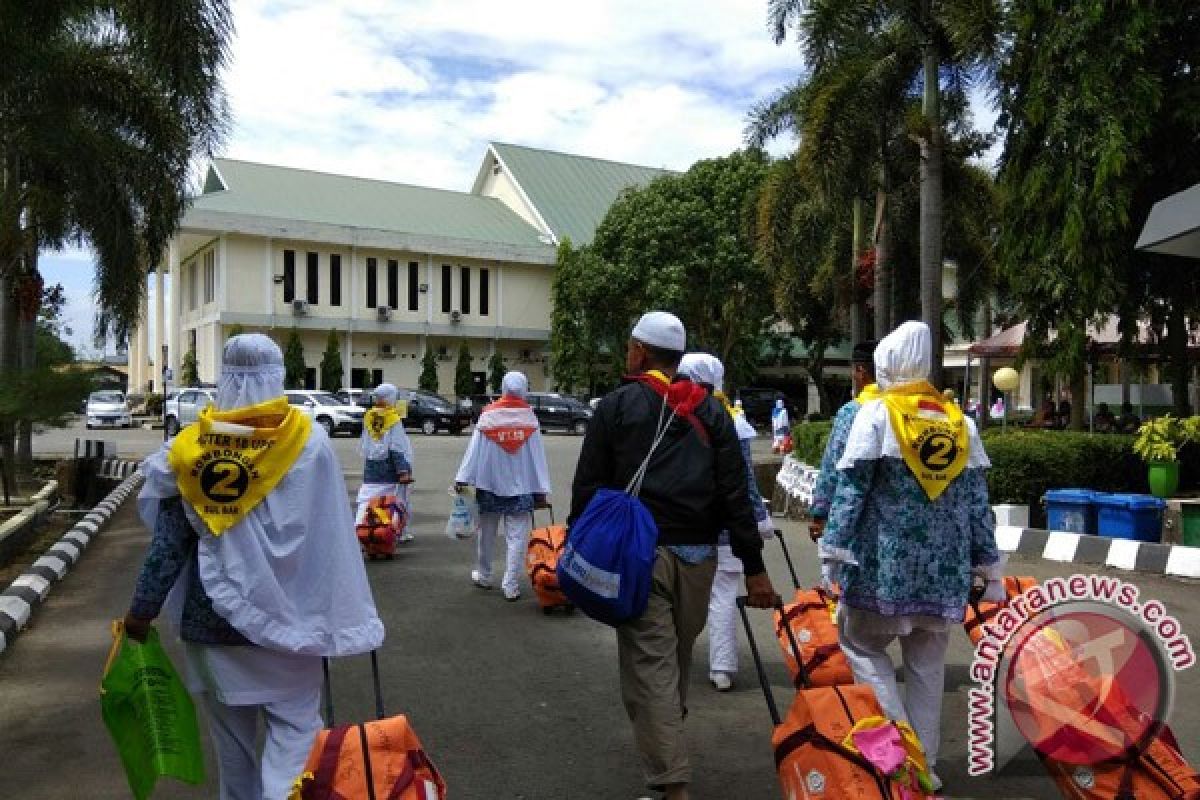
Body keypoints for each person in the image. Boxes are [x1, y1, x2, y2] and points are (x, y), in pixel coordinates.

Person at [124, 334, 385, 800]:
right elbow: (331, 535)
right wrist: (345, 611)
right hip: (295, 623)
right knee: (295, 741)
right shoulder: (311, 442)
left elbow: (168, 548)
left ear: (224, 376)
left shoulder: (189, 449)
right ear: (277, 376)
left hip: (213, 627)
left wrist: (140, 614)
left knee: (234, 755)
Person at [569, 311, 778, 800]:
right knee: (672, 661)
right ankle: (667, 762)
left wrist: (576, 546)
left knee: (650, 670)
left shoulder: (617, 406)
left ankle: (673, 784)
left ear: (639, 351)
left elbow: (588, 486)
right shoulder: (711, 413)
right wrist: (755, 569)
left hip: (636, 558)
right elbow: (736, 498)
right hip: (698, 560)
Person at [819, 321, 1002, 792]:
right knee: (927, 669)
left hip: (884, 570)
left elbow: (851, 492)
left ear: (885, 364)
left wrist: (832, 553)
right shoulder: (959, 422)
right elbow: (977, 505)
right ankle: (930, 767)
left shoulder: (875, 416)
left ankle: (906, 758)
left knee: (861, 646)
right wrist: (990, 568)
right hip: (945, 575)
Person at [677, 353, 774, 693]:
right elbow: (745, 482)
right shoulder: (735, 421)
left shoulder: (674, 413)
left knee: (679, 596)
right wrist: (759, 522)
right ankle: (722, 667)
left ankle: (675, 661)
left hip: (686, 526)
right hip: (729, 528)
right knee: (722, 596)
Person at [454, 371, 551, 601]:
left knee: (486, 534)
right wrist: (541, 490)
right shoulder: (529, 418)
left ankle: (485, 576)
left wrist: (462, 477)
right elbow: (537, 458)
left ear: (503, 387)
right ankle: (511, 585)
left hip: (489, 484)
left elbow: (474, 450)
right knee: (517, 537)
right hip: (522, 488)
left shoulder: (488, 416)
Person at [809, 340, 878, 541]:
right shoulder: (906, 412)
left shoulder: (851, 413)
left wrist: (820, 513)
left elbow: (833, 466)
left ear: (860, 370)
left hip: (853, 524)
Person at [358, 383, 415, 542]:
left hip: (371, 467)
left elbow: (367, 444)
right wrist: (403, 471)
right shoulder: (392, 418)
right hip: (391, 470)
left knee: (367, 500)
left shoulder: (369, 416)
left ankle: (361, 528)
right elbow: (396, 447)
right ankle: (397, 532)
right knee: (395, 501)